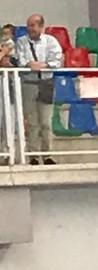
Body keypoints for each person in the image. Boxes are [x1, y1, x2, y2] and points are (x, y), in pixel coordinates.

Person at [15, 14, 62, 166]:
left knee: (46, 122)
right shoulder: (21, 41)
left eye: (33, 25)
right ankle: (33, 156)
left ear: (41, 26)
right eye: (29, 25)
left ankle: (48, 155)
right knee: (32, 123)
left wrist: (44, 65)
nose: (30, 28)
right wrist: (29, 64)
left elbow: (57, 60)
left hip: (46, 83)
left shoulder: (51, 41)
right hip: (29, 83)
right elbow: (20, 59)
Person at [0, 25, 15, 165]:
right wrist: (3, 52)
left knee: (8, 122)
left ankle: (8, 154)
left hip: (8, 87)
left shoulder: (12, 46)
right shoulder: (3, 47)